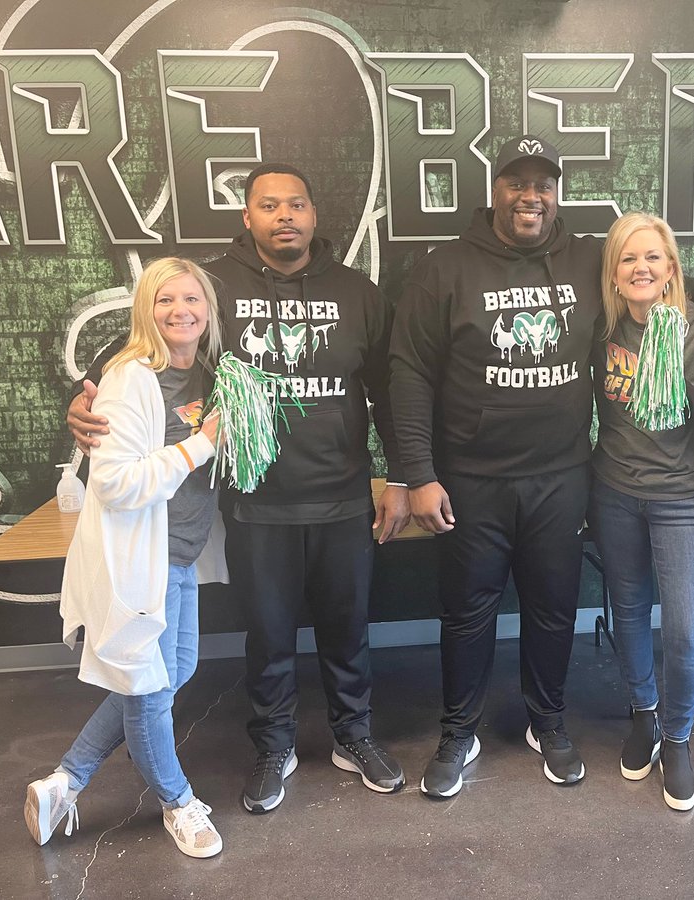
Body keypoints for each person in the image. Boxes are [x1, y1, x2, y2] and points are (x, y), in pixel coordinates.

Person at [390, 136, 694, 799]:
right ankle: (458, 731)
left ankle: (548, 721)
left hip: (562, 475)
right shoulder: (444, 269)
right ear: (495, 189)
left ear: (558, 191)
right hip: (471, 477)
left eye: (544, 183)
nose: (532, 196)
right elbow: (407, 372)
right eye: (517, 183)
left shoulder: (585, 258)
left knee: (554, 609)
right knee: (467, 612)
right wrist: (416, 471)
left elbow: (651, 275)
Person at [66, 164, 411, 813]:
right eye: (270, 205)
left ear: (313, 216)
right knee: (270, 635)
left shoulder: (359, 293)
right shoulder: (212, 286)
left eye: (297, 204)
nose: (286, 216)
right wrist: (80, 403)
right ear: (247, 218)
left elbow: (389, 391)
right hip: (256, 503)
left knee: (348, 630)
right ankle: (273, 745)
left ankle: (353, 736)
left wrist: (395, 474)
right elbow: (132, 349)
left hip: (342, 494)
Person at [25, 257, 225, 857]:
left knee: (171, 672)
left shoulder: (213, 374)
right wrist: (201, 445)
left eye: (191, 298)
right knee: (152, 689)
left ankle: (65, 780)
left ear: (208, 309)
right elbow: (113, 483)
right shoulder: (130, 376)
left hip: (182, 553)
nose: (180, 310)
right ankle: (178, 802)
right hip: (144, 563)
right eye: (164, 300)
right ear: (145, 310)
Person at [587, 213, 694, 811]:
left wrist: (673, 376)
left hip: (687, 498)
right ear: (614, 275)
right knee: (627, 611)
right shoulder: (603, 329)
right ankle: (644, 715)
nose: (641, 268)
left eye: (652, 258)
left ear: (672, 269)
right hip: (615, 490)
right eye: (628, 259)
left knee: (684, 628)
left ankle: (678, 737)